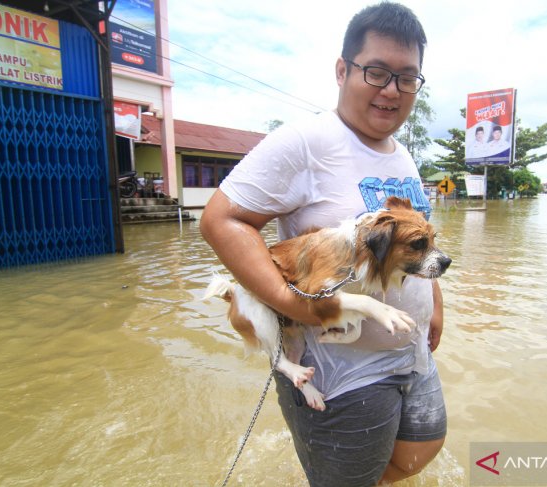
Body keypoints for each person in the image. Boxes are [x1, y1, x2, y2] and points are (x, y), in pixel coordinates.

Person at [200, 3, 447, 486]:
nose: (392, 89)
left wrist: (433, 302)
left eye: (407, 77)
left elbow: (414, 245)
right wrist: (292, 302)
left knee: (422, 446)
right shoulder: (303, 142)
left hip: (409, 350)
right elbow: (221, 220)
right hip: (339, 369)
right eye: (376, 72)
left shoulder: (405, 158)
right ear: (342, 70)